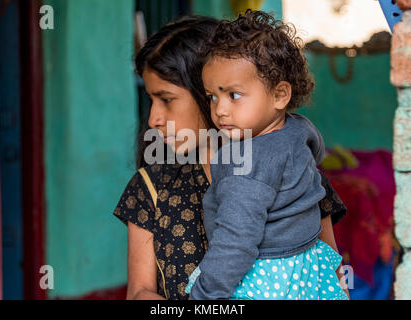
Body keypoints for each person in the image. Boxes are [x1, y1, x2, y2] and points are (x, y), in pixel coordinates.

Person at [113, 15, 347, 300]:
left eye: (167, 99)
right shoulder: (150, 188)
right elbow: (140, 293)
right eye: (151, 100)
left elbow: (332, 274)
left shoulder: (297, 170)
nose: (154, 118)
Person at [184, 10, 349, 300]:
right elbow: (317, 155)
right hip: (308, 267)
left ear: (279, 95)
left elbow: (236, 242)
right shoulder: (299, 128)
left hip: (265, 279)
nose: (220, 109)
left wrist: (205, 295)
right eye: (213, 96)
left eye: (233, 95)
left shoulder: (245, 164)